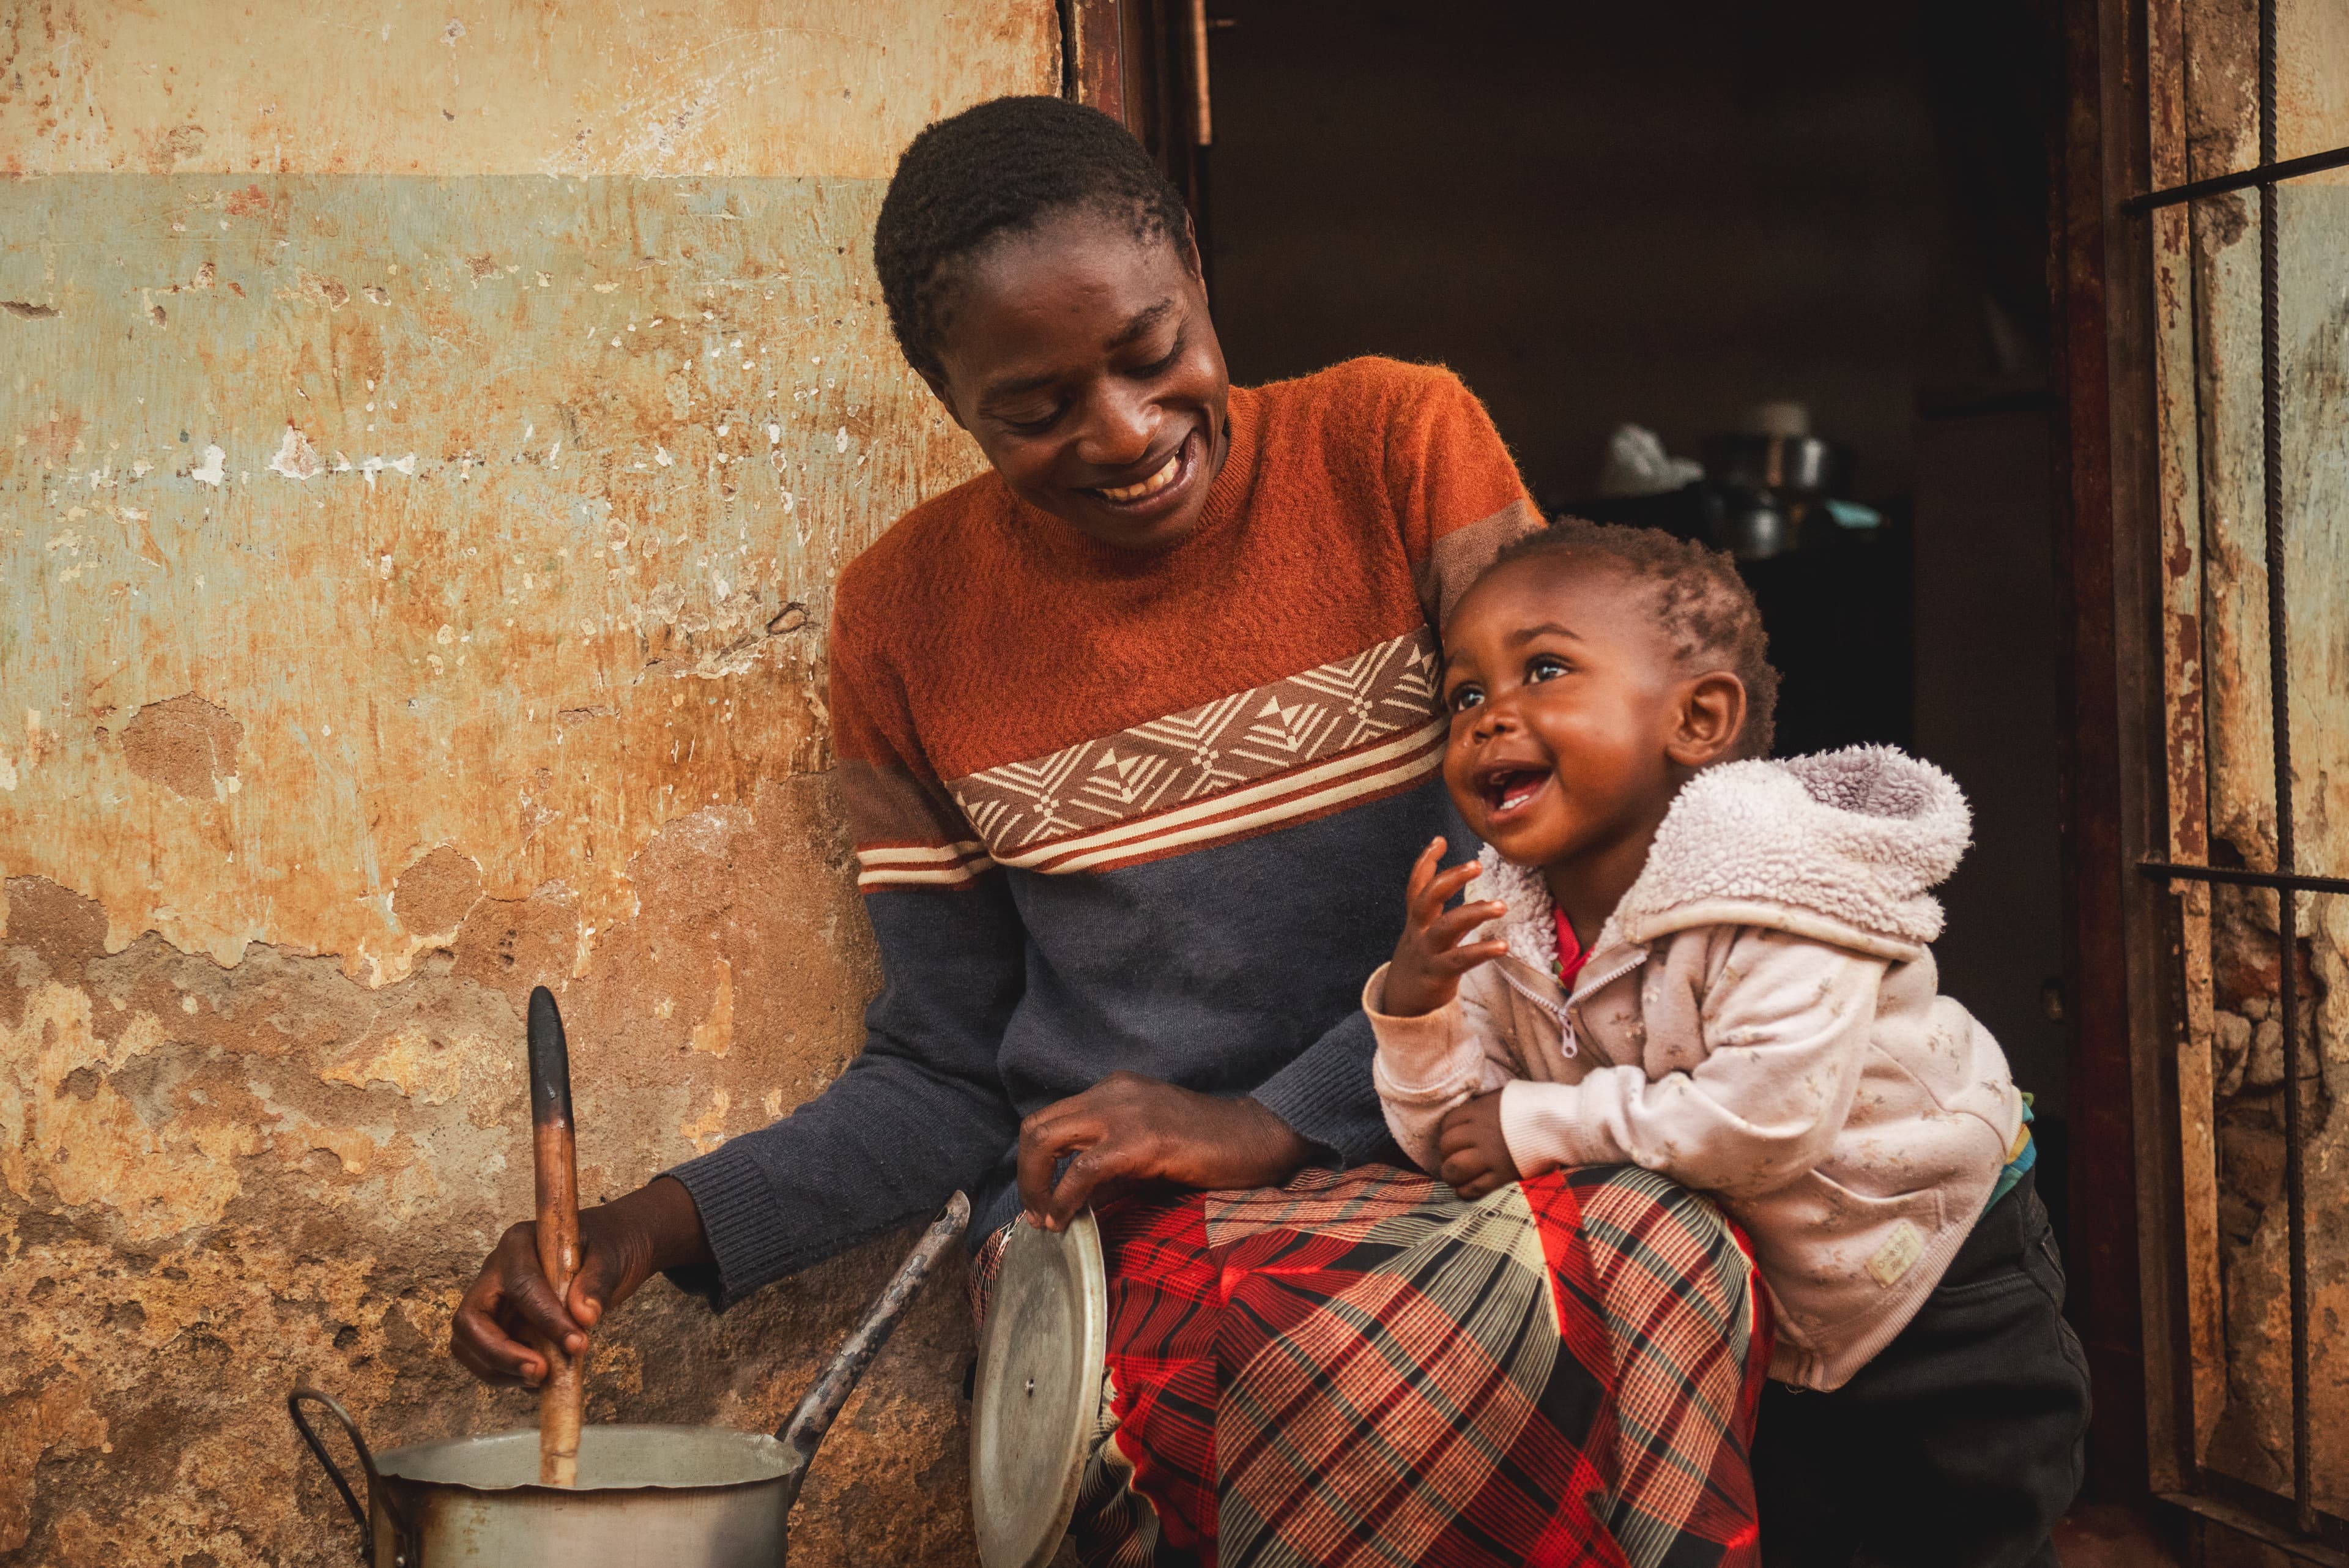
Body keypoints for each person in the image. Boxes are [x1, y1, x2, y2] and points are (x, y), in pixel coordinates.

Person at [452, 96, 1770, 1566]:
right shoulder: (905, 618)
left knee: (1666, 1256)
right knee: (1300, 1337)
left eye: (1154, 354)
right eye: (1035, 408)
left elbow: (1569, 865)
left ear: (1197, 272)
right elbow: (949, 1070)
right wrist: (644, 1229)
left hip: (1455, 1131)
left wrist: (1264, 1123)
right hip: (1143, 1237)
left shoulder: (1397, 443)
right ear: (947, 398)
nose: (1127, 433)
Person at [1368, 520, 2092, 1567]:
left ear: (1698, 718)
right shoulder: (1502, 917)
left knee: (1966, 1525)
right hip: (1766, 1296)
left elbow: (1765, 1119)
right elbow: (1458, 1137)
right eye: (1466, 696)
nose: (1491, 719)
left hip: (1933, 1262)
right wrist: (1418, 1000)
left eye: (1545, 669)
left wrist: (1536, 1119)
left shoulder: (1778, 883)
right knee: (1809, 1530)